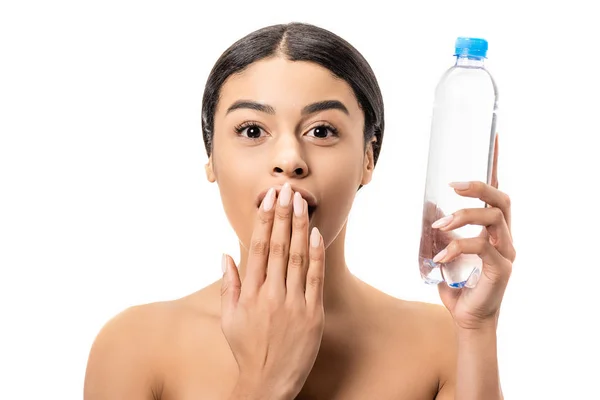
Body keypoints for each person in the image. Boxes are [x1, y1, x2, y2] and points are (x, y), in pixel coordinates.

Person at [84, 22, 515, 400]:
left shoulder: (443, 343)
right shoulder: (132, 348)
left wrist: (478, 330)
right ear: (211, 158)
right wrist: (264, 380)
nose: (289, 159)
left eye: (322, 130)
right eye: (252, 130)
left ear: (369, 158)